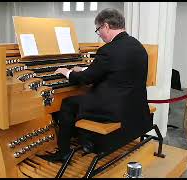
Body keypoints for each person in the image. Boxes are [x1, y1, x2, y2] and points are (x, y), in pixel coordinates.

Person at [40, 8, 151, 163]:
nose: (99, 34)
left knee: (68, 103)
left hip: (114, 109)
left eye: (98, 30)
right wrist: (86, 69)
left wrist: (67, 72)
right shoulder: (137, 46)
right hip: (133, 104)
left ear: (106, 26)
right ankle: (84, 140)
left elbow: (86, 79)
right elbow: (114, 69)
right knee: (82, 99)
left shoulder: (109, 50)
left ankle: (63, 152)